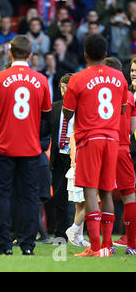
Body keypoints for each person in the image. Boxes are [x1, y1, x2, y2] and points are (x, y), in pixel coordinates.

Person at [62, 34, 128, 257]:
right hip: (112, 139)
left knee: (90, 191)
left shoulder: (78, 78)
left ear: (85, 54)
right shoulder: (120, 78)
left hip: (89, 138)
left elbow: (67, 112)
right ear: (106, 54)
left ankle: (95, 247)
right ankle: (108, 245)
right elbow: (120, 109)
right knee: (107, 191)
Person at [0, 35, 52, 255]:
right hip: (31, 148)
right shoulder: (42, 80)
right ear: (31, 55)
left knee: (2, 195)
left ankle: (4, 245)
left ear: (10, 53)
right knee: (30, 196)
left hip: (3, 146)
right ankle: (27, 246)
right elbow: (46, 118)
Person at [103, 56, 136, 255]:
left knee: (103, 194)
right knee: (129, 196)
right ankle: (132, 246)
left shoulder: (98, 90)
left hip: (103, 146)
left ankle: (106, 245)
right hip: (124, 148)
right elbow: (133, 128)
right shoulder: (129, 95)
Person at [49, 74, 74, 243]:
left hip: (74, 155)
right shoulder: (54, 107)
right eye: (62, 86)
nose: (64, 89)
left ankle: (74, 231)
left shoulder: (82, 107)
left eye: (67, 86)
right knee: (58, 196)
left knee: (74, 196)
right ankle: (60, 234)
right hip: (58, 156)